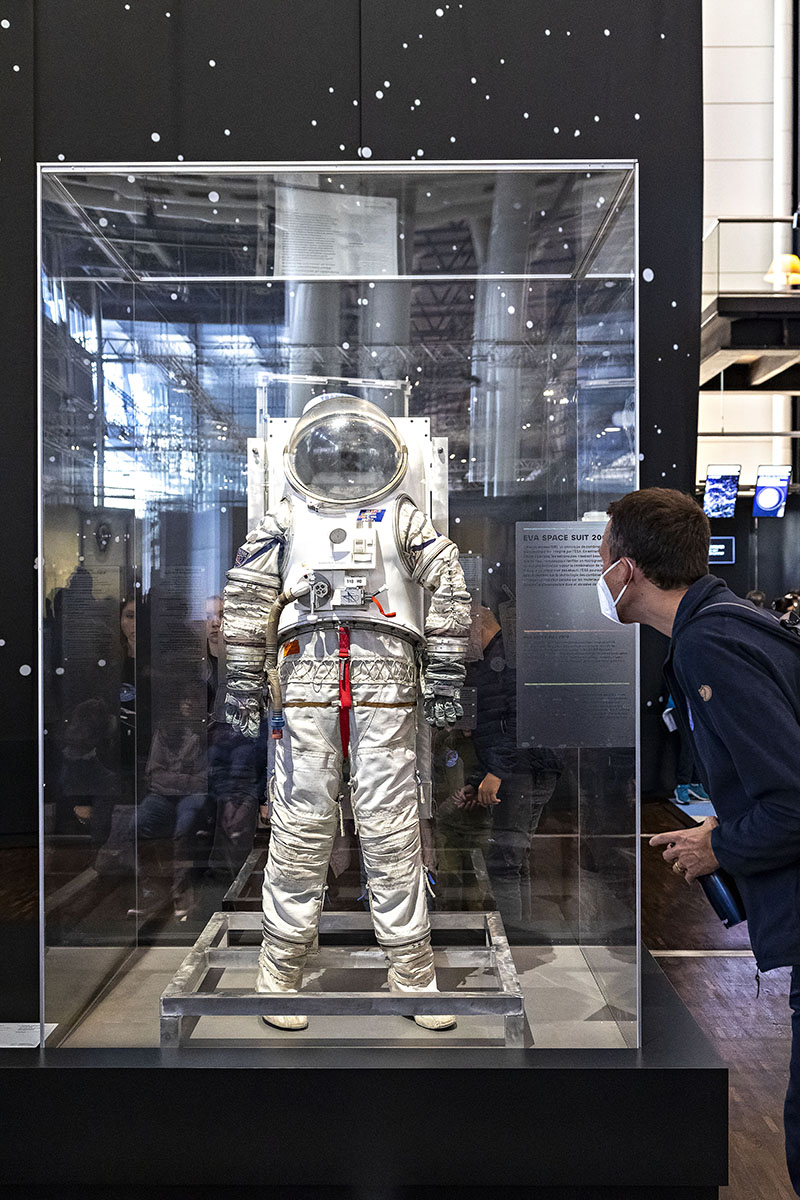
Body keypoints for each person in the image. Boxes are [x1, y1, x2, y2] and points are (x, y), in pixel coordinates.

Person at [223, 394, 471, 1032]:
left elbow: (447, 581)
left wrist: (444, 668)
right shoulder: (286, 517)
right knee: (303, 825)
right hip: (308, 680)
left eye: (354, 454)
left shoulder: (401, 518)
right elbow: (249, 594)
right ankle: (279, 966)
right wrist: (247, 676)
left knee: (390, 828)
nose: (342, 464)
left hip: (384, 683)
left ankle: (412, 972)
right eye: (331, 453)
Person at [596, 486, 800, 1197]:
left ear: (629, 567)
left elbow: (793, 799)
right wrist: (726, 822)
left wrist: (723, 848)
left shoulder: (712, 641)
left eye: (604, 548)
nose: (600, 564)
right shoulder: (723, 626)